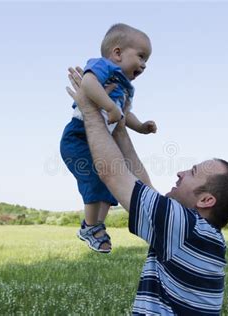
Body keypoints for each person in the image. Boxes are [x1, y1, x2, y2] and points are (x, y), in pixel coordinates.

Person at [65, 67, 228, 315]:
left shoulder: (186, 228)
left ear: (206, 199)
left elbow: (112, 173)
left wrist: (89, 110)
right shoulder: (202, 235)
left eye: (192, 173)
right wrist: (119, 127)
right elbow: (144, 188)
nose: (180, 173)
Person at [60, 23, 157, 253]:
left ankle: (94, 226)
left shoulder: (125, 88)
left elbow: (125, 114)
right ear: (117, 53)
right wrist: (109, 106)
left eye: (147, 61)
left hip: (101, 139)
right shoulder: (102, 65)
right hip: (78, 136)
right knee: (95, 179)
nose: (144, 65)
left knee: (110, 182)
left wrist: (141, 127)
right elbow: (88, 83)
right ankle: (91, 226)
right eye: (141, 56)